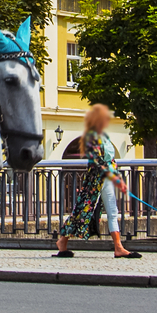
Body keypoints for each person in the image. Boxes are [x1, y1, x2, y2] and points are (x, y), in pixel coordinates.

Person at [54, 103, 139, 259]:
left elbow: (110, 161)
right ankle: (63, 241)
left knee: (110, 211)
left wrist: (117, 178)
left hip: (104, 179)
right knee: (81, 212)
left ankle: (118, 247)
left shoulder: (104, 137)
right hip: (94, 182)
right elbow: (97, 162)